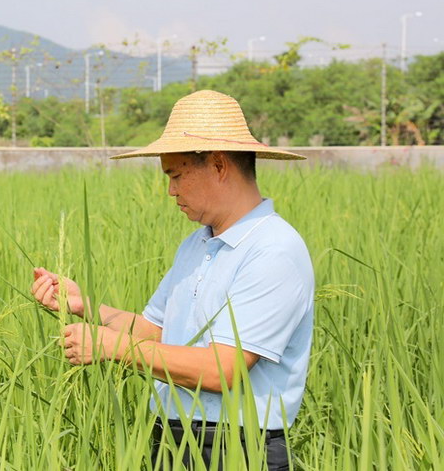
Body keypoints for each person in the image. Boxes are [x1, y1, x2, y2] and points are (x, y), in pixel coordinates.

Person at [30, 90, 314, 470]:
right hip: (171, 437)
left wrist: (112, 347)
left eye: (177, 175)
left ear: (218, 165)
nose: (171, 190)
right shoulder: (197, 245)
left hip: (236, 449)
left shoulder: (273, 249)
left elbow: (222, 370)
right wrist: (85, 306)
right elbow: (158, 330)